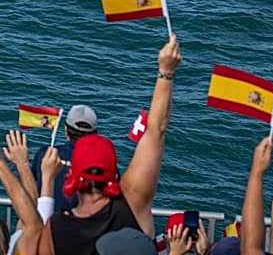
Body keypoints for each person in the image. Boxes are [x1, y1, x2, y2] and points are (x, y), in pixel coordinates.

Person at [36, 35, 180, 254]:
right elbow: (156, 132)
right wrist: (166, 71)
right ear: (114, 173)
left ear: (72, 174)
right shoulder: (132, 202)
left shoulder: (55, 229)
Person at [32, 104, 98, 213]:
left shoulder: (45, 155)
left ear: (66, 130)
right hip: (89, 227)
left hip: (49, 223)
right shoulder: (102, 162)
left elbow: (32, 190)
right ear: (95, 134)